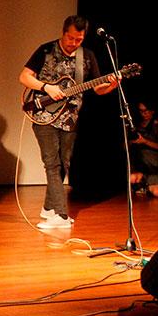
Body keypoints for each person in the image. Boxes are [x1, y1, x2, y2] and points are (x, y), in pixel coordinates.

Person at [18, 16, 118, 229]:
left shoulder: (87, 56)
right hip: (43, 114)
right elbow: (24, 77)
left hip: (70, 118)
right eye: (70, 38)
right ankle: (61, 215)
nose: (73, 43)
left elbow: (97, 88)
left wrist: (110, 85)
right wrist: (46, 87)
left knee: (64, 163)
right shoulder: (45, 50)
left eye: (78, 39)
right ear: (63, 33)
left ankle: (48, 208)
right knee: (52, 163)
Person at [130, 101, 158, 197]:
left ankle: (148, 187)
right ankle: (144, 186)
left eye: (146, 111)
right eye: (141, 111)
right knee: (131, 178)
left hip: (155, 165)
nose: (143, 114)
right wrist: (131, 142)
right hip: (142, 164)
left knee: (157, 192)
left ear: (152, 111)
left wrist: (145, 141)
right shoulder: (137, 126)